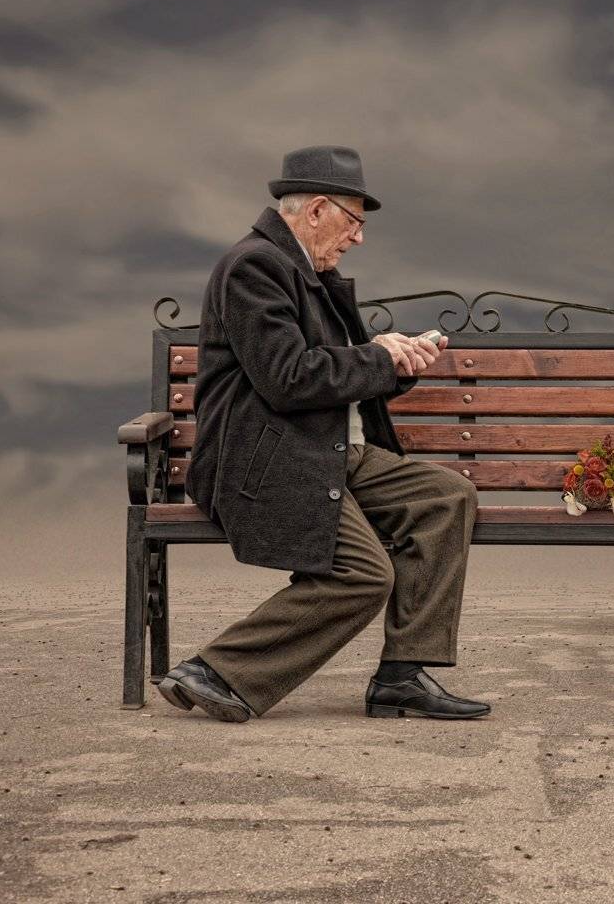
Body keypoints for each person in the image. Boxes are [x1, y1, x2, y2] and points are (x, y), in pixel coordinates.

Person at [160, 145, 490, 723]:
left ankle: (402, 676)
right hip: (267, 462)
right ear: (317, 210)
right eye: (354, 220)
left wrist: (397, 361)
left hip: (329, 452)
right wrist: (376, 355)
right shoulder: (254, 268)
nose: (358, 237)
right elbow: (288, 379)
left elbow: (338, 375)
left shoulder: (309, 274)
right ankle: (216, 670)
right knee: (364, 574)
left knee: (444, 497)